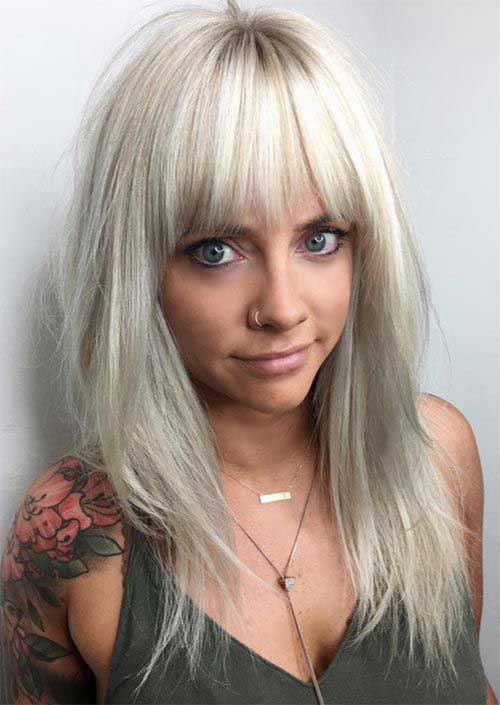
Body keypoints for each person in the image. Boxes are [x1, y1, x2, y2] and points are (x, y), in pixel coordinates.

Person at [0, 1, 497, 704]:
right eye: (216, 250)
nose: (283, 309)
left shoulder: (437, 455)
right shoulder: (74, 533)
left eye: (319, 239)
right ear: (137, 270)